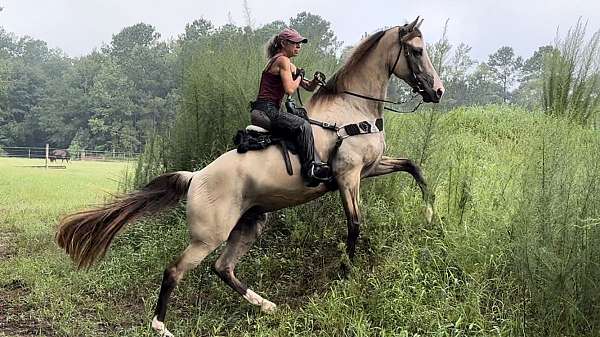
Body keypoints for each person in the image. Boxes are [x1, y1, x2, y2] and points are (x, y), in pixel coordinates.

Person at [250, 28, 330, 186]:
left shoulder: (287, 63)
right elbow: (290, 89)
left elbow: (307, 86)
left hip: (265, 111)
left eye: (300, 43)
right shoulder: (282, 61)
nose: (299, 46)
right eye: (295, 42)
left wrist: (314, 80)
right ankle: (310, 171)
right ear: (283, 43)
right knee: (303, 126)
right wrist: (300, 75)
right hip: (266, 111)